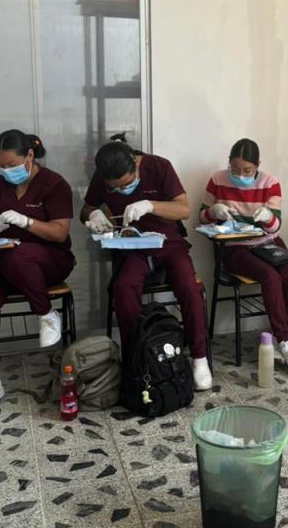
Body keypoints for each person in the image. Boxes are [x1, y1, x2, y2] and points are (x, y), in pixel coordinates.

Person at [81, 138, 212, 391]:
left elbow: (183, 209)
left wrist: (150, 205)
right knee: (123, 288)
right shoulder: (102, 176)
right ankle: (137, 358)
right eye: (115, 189)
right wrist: (94, 214)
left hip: (168, 243)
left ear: (135, 164)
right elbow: (86, 209)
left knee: (189, 286)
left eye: (126, 184)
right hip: (131, 247)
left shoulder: (160, 167)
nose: (122, 191)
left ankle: (199, 357)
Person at [0, 130, 75, 416]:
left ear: (29, 156)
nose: (6, 171)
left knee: (17, 257)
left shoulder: (54, 184)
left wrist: (26, 222)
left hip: (49, 260)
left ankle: (46, 313)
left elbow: (59, 233)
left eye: (11, 165)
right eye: (1, 166)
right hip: (4, 258)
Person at [199, 139, 288, 377]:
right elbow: (202, 217)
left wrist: (268, 217)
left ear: (257, 165)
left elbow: (275, 226)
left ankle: (280, 337)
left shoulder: (270, 183)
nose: (240, 175)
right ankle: (285, 342)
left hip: (267, 243)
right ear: (228, 163)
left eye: (247, 171)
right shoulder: (217, 179)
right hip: (234, 247)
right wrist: (213, 212)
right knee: (270, 276)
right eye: (235, 169)